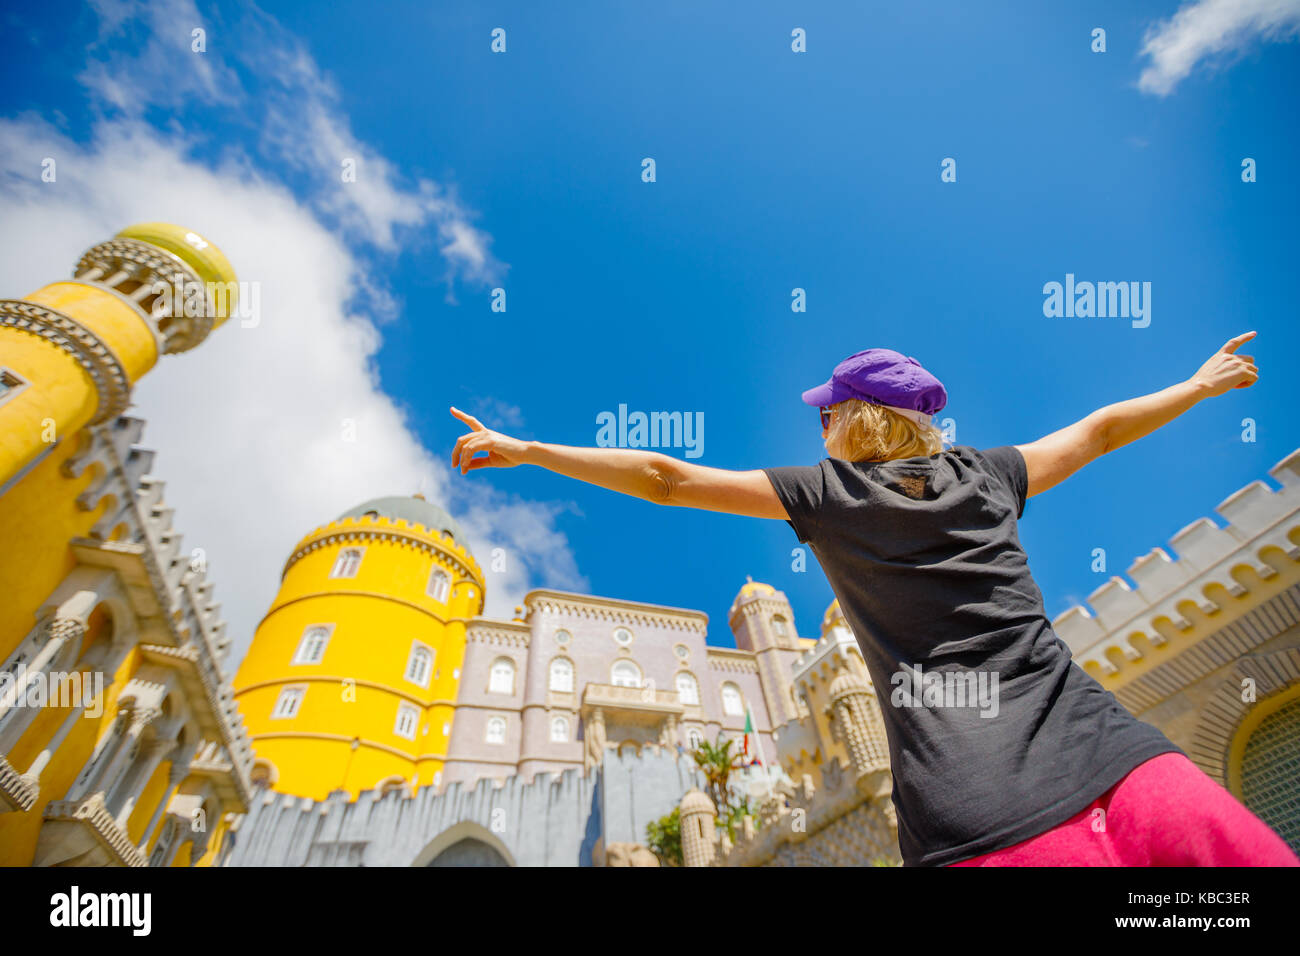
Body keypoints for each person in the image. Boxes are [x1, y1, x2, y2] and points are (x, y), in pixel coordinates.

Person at [448, 331, 1298, 867]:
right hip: (1131, 769)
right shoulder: (992, 473)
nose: (819, 426)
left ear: (864, 419)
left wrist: (526, 448)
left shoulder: (828, 495)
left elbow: (668, 477)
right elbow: (1100, 430)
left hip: (981, 819)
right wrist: (1198, 386)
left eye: (830, 413)